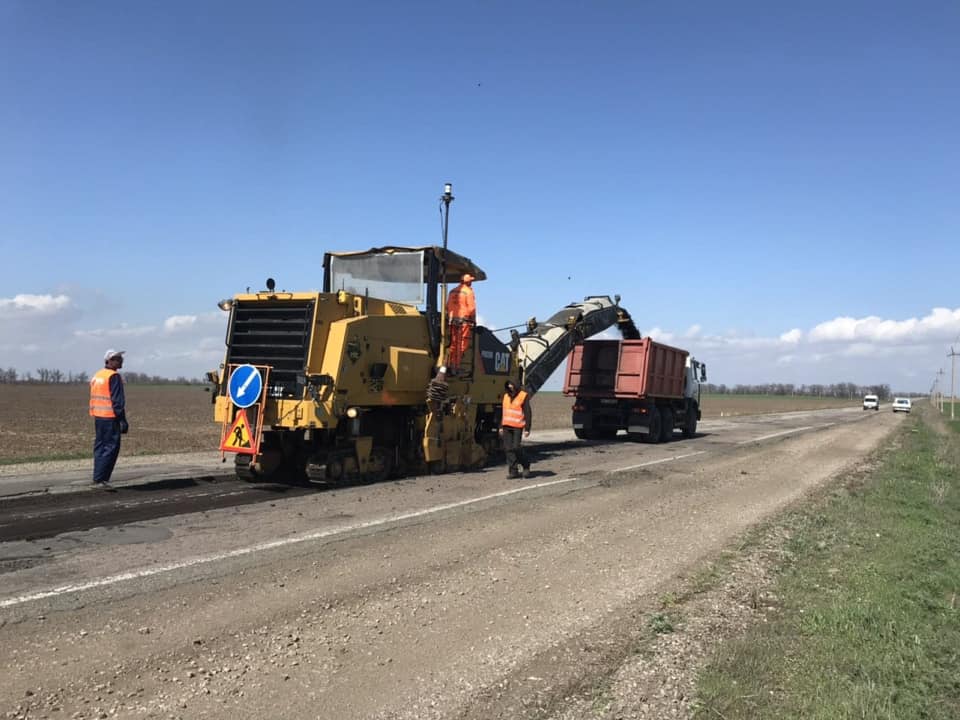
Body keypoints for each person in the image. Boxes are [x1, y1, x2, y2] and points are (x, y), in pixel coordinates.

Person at [89, 349, 129, 489]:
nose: (120, 360)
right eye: (117, 358)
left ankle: (97, 477)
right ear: (109, 361)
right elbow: (118, 401)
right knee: (111, 448)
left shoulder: (98, 375)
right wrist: (123, 420)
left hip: (98, 416)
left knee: (100, 446)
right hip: (110, 417)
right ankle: (101, 479)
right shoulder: (114, 376)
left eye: (120, 358)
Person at [500, 379, 532, 479]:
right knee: (508, 448)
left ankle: (526, 465)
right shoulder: (505, 396)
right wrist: (500, 426)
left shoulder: (523, 395)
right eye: (508, 384)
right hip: (506, 425)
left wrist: (527, 428)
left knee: (516, 447)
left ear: (516, 385)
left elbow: (527, 412)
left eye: (512, 384)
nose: (510, 386)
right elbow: (504, 411)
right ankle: (513, 471)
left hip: (517, 426)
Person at [445, 273, 476, 373]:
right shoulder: (468, 292)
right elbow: (471, 309)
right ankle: (456, 367)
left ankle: (449, 363)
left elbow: (447, 307)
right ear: (468, 281)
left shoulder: (452, 291)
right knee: (462, 345)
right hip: (463, 322)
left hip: (452, 321)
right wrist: (473, 320)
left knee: (453, 343)